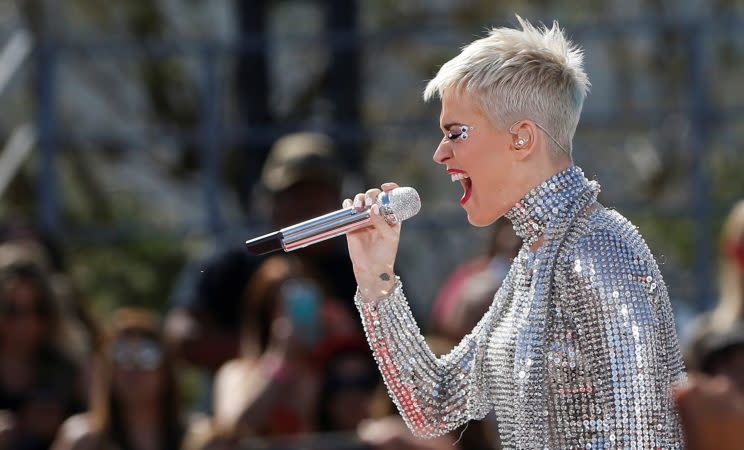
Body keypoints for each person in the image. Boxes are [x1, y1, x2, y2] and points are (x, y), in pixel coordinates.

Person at [343, 16, 685, 448]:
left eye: (456, 133)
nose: (440, 153)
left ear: (522, 138)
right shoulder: (533, 260)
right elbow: (435, 406)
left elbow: (643, 435)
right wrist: (376, 277)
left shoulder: (599, 247)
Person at [52, 308, 184, 450]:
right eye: (121, 354)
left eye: (148, 355)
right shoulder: (82, 439)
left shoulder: (197, 439)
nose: (133, 367)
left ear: (166, 369)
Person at [0, 261, 86, 450]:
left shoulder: (70, 370)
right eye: (12, 310)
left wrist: (66, 433)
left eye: (39, 310)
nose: (27, 322)